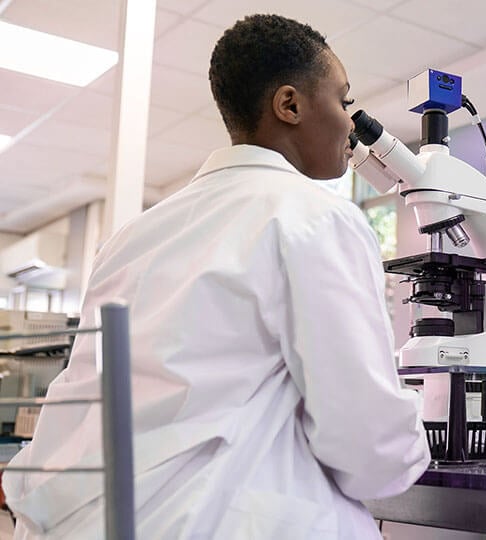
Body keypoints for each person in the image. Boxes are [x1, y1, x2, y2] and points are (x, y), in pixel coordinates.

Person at [2, 14, 431, 539]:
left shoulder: (130, 238)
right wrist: (418, 421)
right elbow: (371, 451)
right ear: (290, 105)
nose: (351, 122)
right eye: (343, 101)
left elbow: (89, 406)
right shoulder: (315, 218)